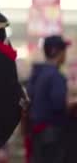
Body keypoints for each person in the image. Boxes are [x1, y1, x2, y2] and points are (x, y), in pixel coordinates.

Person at [26, 35, 72, 163]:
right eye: (63, 50)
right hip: (52, 134)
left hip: (37, 133)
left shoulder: (37, 73)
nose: (65, 54)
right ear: (56, 51)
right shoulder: (55, 76)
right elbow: (59, 104)